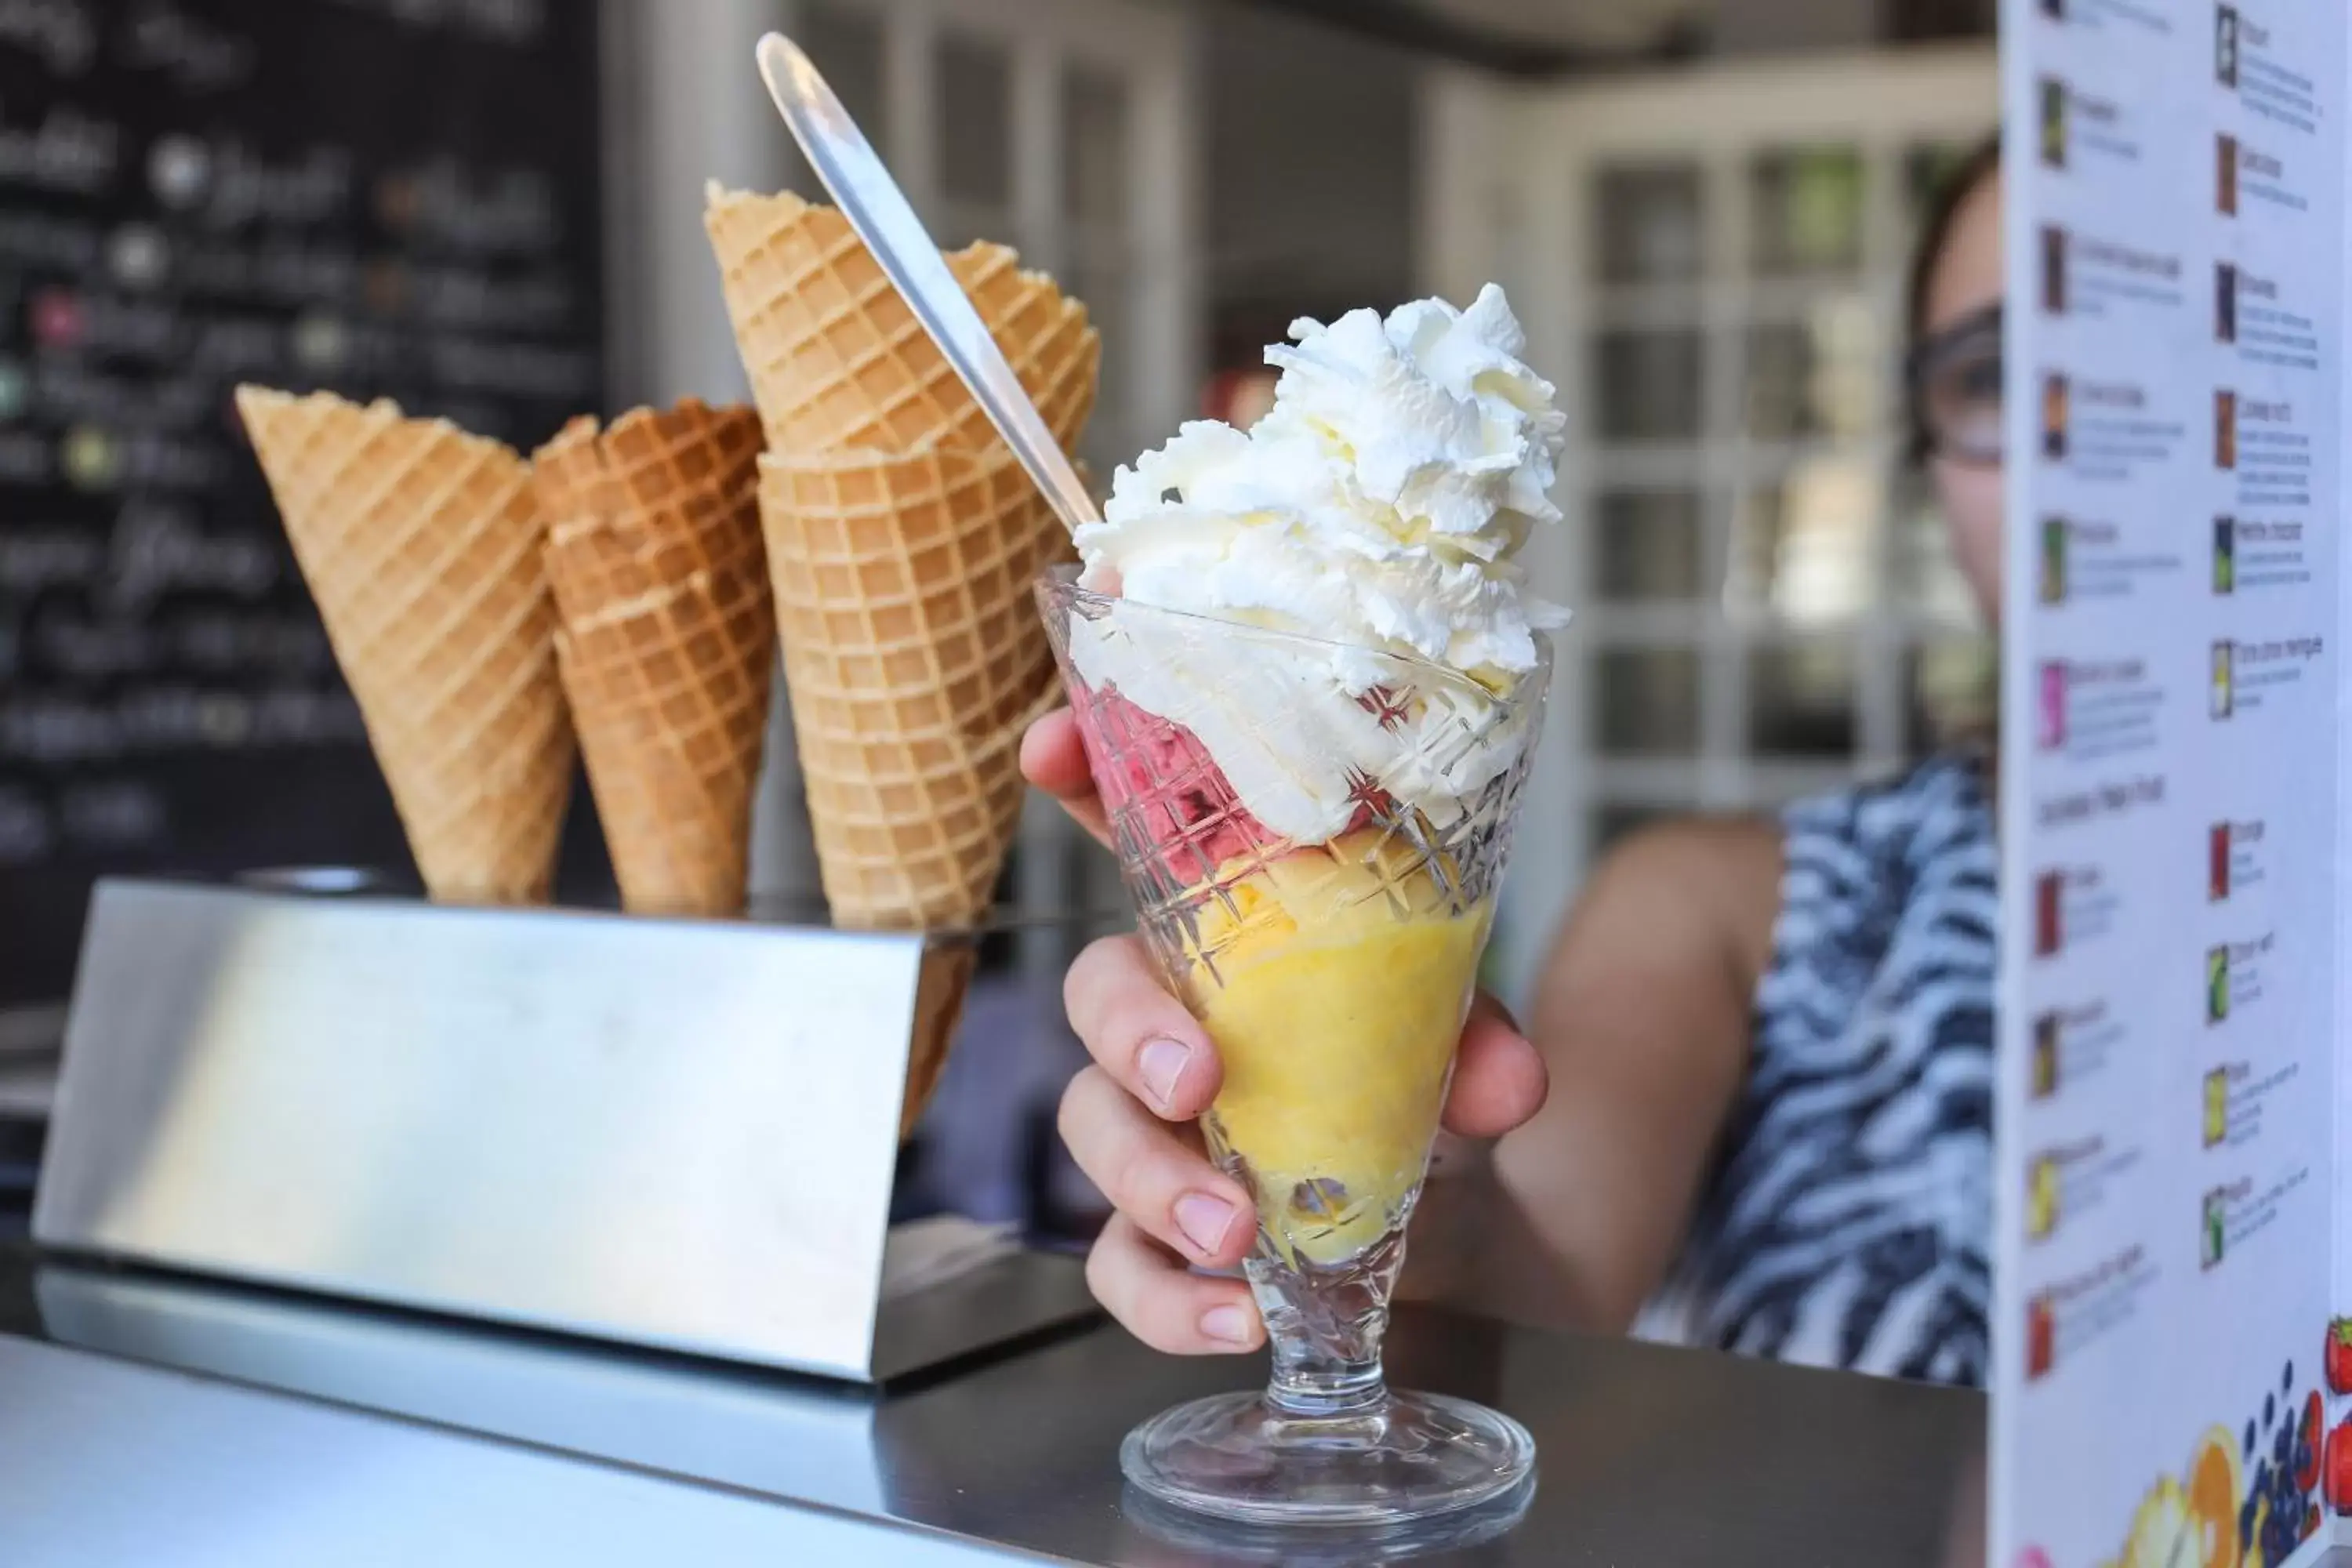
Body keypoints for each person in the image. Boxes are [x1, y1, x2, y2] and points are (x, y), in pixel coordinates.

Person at [1021, 138, 2005, 1387]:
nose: (2096, 434)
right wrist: (1411, 1224)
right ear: (1925, 452)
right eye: (2001, 375)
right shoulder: (1728, 909)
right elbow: (1547, 1288)